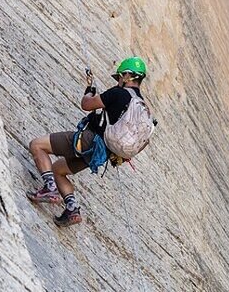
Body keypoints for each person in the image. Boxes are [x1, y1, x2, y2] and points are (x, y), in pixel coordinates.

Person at [26, 57, 148, 227]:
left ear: (128, 75)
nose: (119, 80)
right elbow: (143, 140)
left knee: (37, 145)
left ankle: (50, 188)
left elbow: (87, 104)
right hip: (101, 154)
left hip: (89, 141)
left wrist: (89, 90)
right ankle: (72, 209)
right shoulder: (142, 107)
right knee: (58, 170)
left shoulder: (118, 93)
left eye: (120, 76)